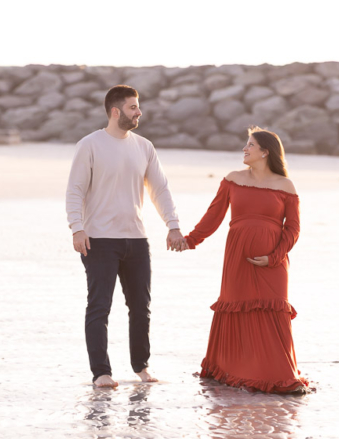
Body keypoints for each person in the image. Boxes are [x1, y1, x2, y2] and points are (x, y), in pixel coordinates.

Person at [66, 85, 188, 388]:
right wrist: (76, 227)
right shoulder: (90, 145)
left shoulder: (144, 146)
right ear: (115, 111)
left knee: (140, 307)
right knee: (99, 306)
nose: (139, 112)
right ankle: (101, 373)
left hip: (136, 239)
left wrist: (173, 225)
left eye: (138, 107)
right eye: (133, 107)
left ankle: (141, 366)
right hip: (98, 240)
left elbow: (159, 188)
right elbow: (75, 189)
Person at [184, 126, 311, 394]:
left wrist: (274, 257)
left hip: (273, 265)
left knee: (272, 312)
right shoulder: (232, 179)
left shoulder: (285, 185)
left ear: (265, 152)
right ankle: (232, 372)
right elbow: (214, 216)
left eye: (250, 145)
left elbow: (293, 229)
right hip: (237, 260)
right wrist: (190, 240)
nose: (245, 149)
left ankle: (282, 377)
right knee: (236, 309)